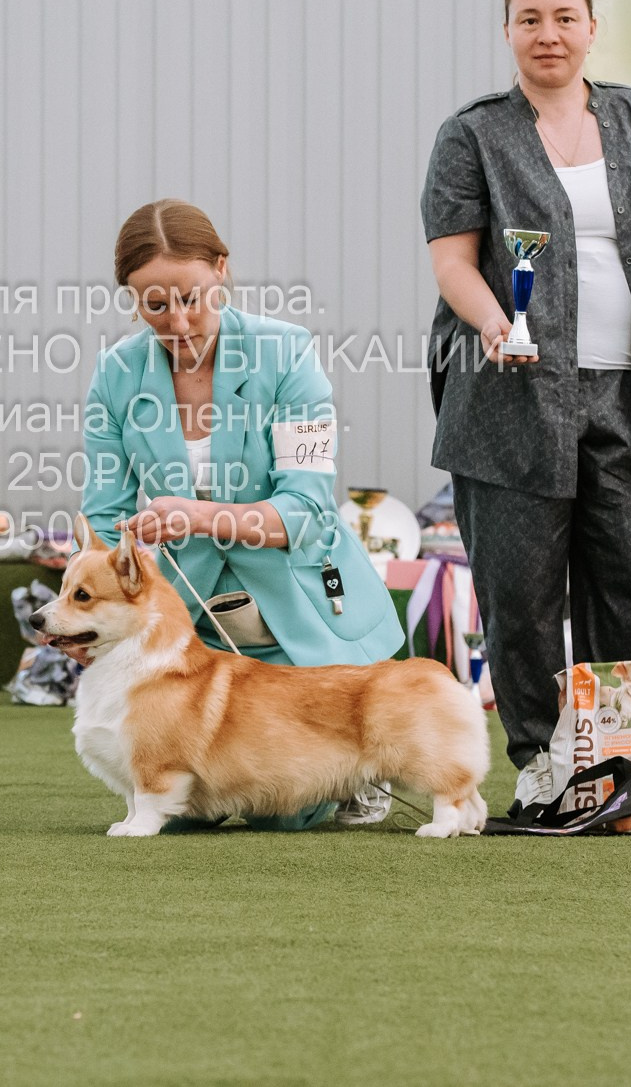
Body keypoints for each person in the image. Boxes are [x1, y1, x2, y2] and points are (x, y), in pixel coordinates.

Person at [420, 0, 631, 816]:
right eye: (529, 19)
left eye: (564, 17)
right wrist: (492, 322)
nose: (548, 34)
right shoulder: (472, 134)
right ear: (507, 31)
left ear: (591, 28)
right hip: (509, 394)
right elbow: (451, 260)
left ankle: (628, 763)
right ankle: (545, 765)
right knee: (520, 588)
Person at [81, 200, 405, 829]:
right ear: (130, 299)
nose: (177, 321)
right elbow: (105, 515)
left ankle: (359, 773)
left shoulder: (288, 353)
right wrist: (95, 604)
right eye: (154, 304)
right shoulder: (115, 375)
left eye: (191, 298)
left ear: (221, 270)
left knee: (284, 813)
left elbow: (307, 510)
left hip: (302, 605)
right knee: (180, 809)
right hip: (192, 622)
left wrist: (199, 517)